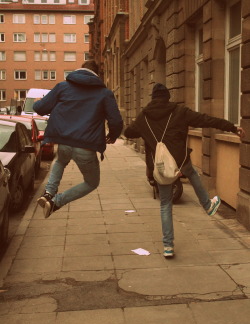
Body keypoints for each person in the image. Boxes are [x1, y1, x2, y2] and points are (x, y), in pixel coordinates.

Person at [124, 83, 245, 258]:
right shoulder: (179, 111)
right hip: (179, 162)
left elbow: (128, 133)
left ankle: (168, 246)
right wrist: (232, 127)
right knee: (192, 172)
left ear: (152, 98)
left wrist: (146, 133)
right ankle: (207, 205)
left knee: (165, 204)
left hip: (160, 167)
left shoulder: (144, 116)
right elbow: (206, 120)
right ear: (167, 97)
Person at [33, 60, 123, 218]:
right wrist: (113, 136)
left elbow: (40, 108)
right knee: (91, 183)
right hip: (86, 147)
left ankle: (48, 193)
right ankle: (56, 202)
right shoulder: (104, 93)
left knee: (60, 161)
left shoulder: (63, 87)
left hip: (64, 142)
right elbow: (116, 121)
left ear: (80, 70)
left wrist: (37, 103)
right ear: (97, 75)